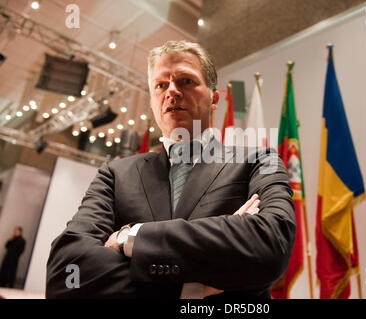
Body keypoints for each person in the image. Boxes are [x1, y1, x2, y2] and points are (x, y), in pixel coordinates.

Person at [46, 40, 296, 299]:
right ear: (153, 102)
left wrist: (130, 237)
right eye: (161, 85)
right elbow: (66, 272)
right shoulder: (115, 174)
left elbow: (271, 245)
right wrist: (188, 290)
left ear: (214, 98)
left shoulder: (259, 161)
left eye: (186, 81)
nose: (172, 92)